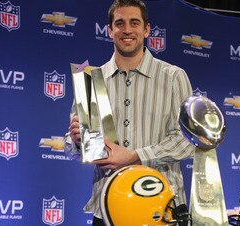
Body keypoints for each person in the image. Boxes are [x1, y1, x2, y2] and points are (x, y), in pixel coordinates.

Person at [64, 0, 195, 225]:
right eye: (119, 23)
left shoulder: (174, 77)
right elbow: (72, 147)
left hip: (162, 208)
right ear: (109, 30)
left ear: (146, 29)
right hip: (108, 208)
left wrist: (137, 156)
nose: (127, 30)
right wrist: (77, 141)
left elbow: (187, 141)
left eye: (134, 23)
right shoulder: (90, 81)